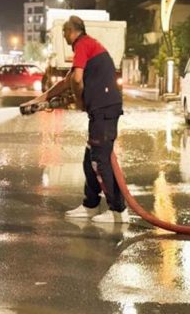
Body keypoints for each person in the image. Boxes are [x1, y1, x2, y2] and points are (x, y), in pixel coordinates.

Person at [21, 16, 127, 223]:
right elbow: (67, 82)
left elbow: (77, 80)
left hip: (104, 111)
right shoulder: (88, 45)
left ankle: (118, 211)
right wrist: (38, 100)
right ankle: (90, 205)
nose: (64, 37)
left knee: (100, 161)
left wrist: (79, 101)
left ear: (71, 31)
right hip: (100, 111)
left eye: (64, 33)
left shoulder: (83, 44)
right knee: (90, 160)